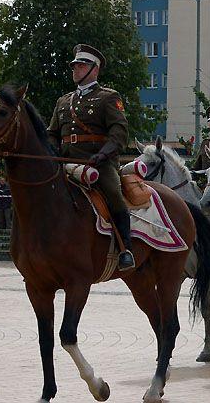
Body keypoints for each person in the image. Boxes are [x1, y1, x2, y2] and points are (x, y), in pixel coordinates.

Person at [47, 44, 134, 271]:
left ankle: (126, 248)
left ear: (94, 70)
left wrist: (102, 155)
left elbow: (119, 133)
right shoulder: (63, 101)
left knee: (114, 192)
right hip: (65, 163)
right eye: (74, 65)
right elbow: (52, 134)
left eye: (81, 65)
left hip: (97, 164)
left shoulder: (108, 97)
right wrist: (49, 153)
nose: (75, 69)